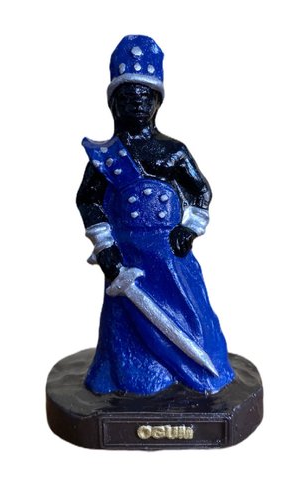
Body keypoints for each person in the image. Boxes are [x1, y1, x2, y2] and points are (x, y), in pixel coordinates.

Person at [77, 35, 234, 395]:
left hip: (170, 255)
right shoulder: (106, 157)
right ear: (114, 102)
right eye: (128, 96)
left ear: (157, 101)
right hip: (127, 256)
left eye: (144, 96)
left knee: (190, 314)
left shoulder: (173, 151)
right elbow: (88, 200)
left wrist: (189, 228)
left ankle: (199, 372)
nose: (137, 103)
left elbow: (201, 191)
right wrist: (105, 247)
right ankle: (133, 379)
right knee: (127, 324)